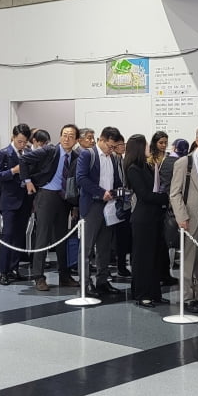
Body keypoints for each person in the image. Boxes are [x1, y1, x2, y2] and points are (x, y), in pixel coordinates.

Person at [20, 124, 81, 291]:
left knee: (62, 239)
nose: (67, 138)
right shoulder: (49, 151)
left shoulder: (76, 156)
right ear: (60, 136)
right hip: (46, 195)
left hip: (64, 199)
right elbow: (23, 160)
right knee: (42, 237)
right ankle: (39, 277)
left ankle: (65, 276)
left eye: (71, 136)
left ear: (76, 140)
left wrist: (74, 204)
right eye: (64, 134)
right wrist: (28, 182)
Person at [75, 126, 127, 299]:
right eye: (110, 146)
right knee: (87, 247)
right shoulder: (88, 154)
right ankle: (85, 281)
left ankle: (102, 281)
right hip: (92, 205)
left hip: (109, 206)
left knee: (105, 247)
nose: (112, 149)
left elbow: (116, 179)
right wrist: (99, 192)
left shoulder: (112, 158)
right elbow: (81, 178)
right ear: (102, 140)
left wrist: (118, 192)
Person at [169, 125, 198, 312]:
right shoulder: (184, 163)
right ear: (197, 141)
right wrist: (182, 216)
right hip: (190, 216)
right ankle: (187, 298)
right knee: (188, 259)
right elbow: (175, 193)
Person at [122, 134, 168, 307]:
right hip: (143, 218)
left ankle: (155, 293)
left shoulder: (147, 166)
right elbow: (145, 194)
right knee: (143, 258)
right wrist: (165, 197)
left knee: (156, 257)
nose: (149, 147)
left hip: (156, 217)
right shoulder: (133, 168)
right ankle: (142, 294)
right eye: (146, 145)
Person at [0, 123, 33, 286]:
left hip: (25, 199)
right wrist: (13, 171)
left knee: (19, 236)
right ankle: (4, 271)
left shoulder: (29, 153)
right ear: (13, 138)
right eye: (20, 141)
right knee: (7, 235)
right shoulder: (4, 153)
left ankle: (15, 267)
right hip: (9, 200)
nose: (22, 145)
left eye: (25, 141)